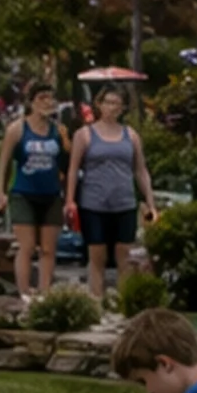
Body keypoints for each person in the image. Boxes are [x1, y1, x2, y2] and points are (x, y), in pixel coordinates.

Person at [68, 84, 148, 300]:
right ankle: (96, 300)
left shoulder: (131, 135)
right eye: (109, 102)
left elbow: (140, 169)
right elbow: (73, 169)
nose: (112, 108)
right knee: (97, 255)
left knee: (125, 255)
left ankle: (124, 301)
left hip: (124, 202)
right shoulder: (84, 135)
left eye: (117, 104)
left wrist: (149, 199)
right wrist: (70, 200)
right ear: (99, 105)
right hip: (94, 202)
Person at [3, 81, 70, 299]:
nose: (48, 102)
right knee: (27, 246)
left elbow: (66, 165)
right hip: (24, 193)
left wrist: (69, 196)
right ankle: (24, 291)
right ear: (31, 102)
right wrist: (1, 192)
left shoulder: (58, 131)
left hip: (51, 194)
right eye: (42, 98)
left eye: (51, 98)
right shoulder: (17, 129)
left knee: (48, 248)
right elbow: (5, 163)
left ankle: (45, 292)